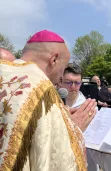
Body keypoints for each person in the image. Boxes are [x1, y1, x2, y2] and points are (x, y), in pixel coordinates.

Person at [0, 30, 97, 170]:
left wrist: (60, 119)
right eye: (63, 68)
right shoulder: (42, 89)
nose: (60, 77)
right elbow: (56, 160)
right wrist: (74, 129)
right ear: (54, 60)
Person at [60, 64, 111, 171]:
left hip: (86, 160)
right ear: (61, 81)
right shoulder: (51, 105)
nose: (73, 86)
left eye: (77, 83)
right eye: (68, 82)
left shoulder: (89, 107)